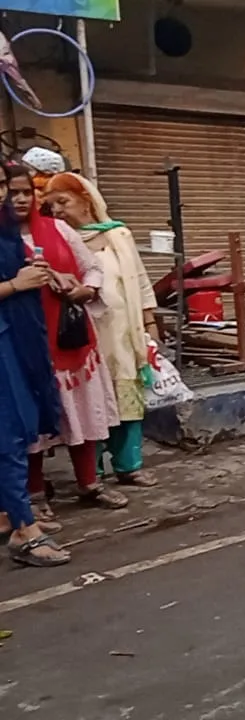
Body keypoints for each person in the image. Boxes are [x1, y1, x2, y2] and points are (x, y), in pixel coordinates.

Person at [5, 165, 127, 513]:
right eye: (13, 192)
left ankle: (89, 483)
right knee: (32, 422)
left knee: (82, 413)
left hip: (70, 337)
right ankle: (36, 496)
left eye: (26, 192)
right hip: (24, 342)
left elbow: (92, 267)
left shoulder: (60, 229)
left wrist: (84, 289)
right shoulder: (3, 239)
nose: (21, 199)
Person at [43, 172, 161, 488]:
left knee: (128, 399)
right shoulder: (56, 241)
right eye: (51, 206)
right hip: (84, 335)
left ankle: (129, 466)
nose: (57, 211)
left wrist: (150, 325)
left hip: (124, 334)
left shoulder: (118, 234)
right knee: (88, 403)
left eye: (63, 202)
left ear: (87, 200)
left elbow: (140, 280)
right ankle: (91, 473)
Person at [0, 167, 69, 567]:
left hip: (16, 339)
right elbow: (13, 281)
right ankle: (25, 531)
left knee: (16, 431)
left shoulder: (7, 228)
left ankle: (12, 513)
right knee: (7, 436)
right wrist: (15, 285)